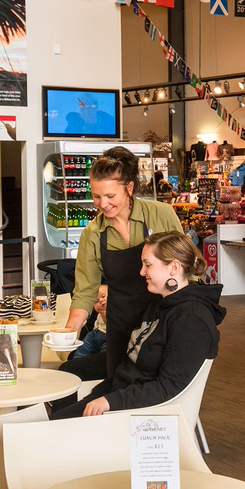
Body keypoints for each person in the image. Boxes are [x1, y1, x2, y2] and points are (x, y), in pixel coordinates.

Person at [51, 231, 225, 419]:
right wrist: (101, 395)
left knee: (48, 430)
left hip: (142, 416)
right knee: (50, 422)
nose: (141, 272)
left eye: (148, 265)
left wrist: (110, 401)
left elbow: (168, 387)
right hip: (124, 400)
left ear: (174, 267)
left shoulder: (191, 320)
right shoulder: (161, 303)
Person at [66, 146, 184, 379]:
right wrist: (68, 333)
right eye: (97, 196)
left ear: (129, 188)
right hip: (120, 329)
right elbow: (85, 292)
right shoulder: (93, 233)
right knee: (120, 390)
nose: (102, 204)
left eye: (111, 196)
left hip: (163, 324)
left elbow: (187, 268)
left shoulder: (161, 214)